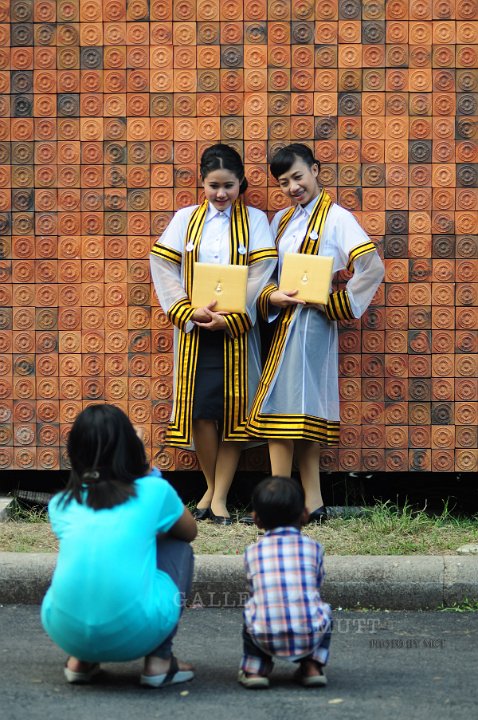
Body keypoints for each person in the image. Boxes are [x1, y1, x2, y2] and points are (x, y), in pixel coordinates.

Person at [246, 143, 384, 522]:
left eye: (298, 176)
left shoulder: (338, 218)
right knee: (297, 410)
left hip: (312, 327)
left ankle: (280, 505)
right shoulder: (280, 221)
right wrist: (272, 296)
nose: (292, 186)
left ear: (316, 170)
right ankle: (312, 501)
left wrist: (333, 303)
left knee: (282, 411)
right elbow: (267, 275)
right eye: (284, 181)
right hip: (282, 324)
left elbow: (371, 267)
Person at [150, 144, 277, 524]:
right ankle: (211, 487)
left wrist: (234, 315)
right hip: (196, 329)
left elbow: (264, 268)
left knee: (234, 410)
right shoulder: (185, 218)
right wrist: (187, 309)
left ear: (242, 184)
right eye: (213, 185)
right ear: (202, 184)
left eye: (229, 186)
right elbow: (163, 264)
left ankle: (217, 498)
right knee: (202, 413)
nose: (221, 194)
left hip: (236, 331)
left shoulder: (255, 219)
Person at [41, 404, 197, 688]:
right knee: (178, 546)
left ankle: (81, 659)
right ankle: (160, 661)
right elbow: (189, 532)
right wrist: (144, 465)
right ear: (131, 447)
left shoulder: (60, 503)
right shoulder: (154, 490)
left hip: (62, 629)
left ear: (74, 451)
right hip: (136, 632)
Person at [238, 475, 332, 689]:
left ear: (256, 519)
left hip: (264, 634)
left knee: (253, 608)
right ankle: (312, 667)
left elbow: (253, 589)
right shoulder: (314, 548)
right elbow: (316, 584)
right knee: (325, 611)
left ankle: (255, 670)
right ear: (305, 515)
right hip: (309, 635)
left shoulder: (253, 551)